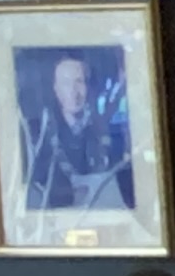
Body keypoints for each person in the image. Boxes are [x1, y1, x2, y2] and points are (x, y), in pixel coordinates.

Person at [22, 51, 132, 210]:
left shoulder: (107, 132)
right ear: (56, 88)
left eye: (79, 82)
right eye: (66, 83)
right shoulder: (37, 136)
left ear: (88, 86)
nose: (74, 91)